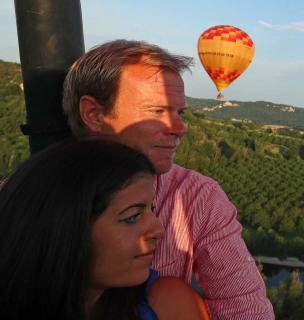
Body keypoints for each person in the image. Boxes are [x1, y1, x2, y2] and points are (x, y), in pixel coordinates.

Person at [62, 40, 274, 319]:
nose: (180, 128)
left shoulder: (198, 197)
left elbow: (243, 303)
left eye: (179, 113)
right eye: (157, 111)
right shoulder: (21, 198)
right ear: (94, 114)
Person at [0, 139, 210, 320]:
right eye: (132, 217)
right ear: (64, 228)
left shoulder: (169, 305)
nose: (159, 230)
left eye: (151, 209)